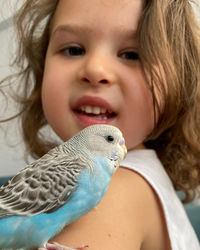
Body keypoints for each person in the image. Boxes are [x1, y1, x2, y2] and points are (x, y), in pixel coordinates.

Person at [0, 0, 200, 249]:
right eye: (73, 50)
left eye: (131, 54)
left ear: (179, 83)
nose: (95, 70)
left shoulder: (116, 191)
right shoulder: (109, 177)